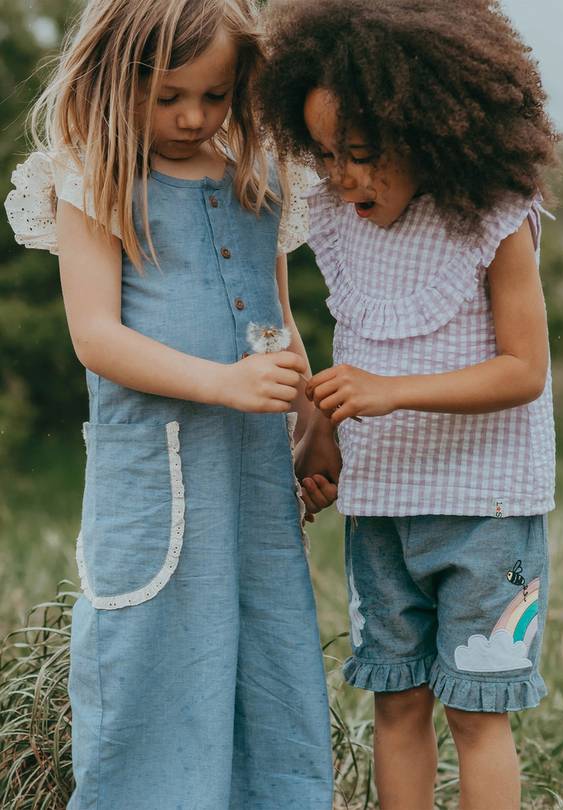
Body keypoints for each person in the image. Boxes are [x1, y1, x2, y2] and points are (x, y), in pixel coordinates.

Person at [4, 1, 334, 807]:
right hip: (157, 485)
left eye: (216, 97)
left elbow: (277, 323)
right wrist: (223, 383)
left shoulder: (260, 176)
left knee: (269, 666)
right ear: (120, 82)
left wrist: (313, 421)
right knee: (152, 669)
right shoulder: (94, 176)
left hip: (253, 486)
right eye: (169, 97)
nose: (194, 117)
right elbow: (97, 338)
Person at [257, 1, 559, 808]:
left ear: (431, 129)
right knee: (396, 702)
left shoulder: (495, 221)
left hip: (484, 512)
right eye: (325, 155)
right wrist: (319, 431)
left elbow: (523, 370)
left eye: (362, 152)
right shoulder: (341, 222)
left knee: (475, 710)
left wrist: (392, 394)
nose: (345, 175)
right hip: (383, 509)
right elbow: (354, 348)